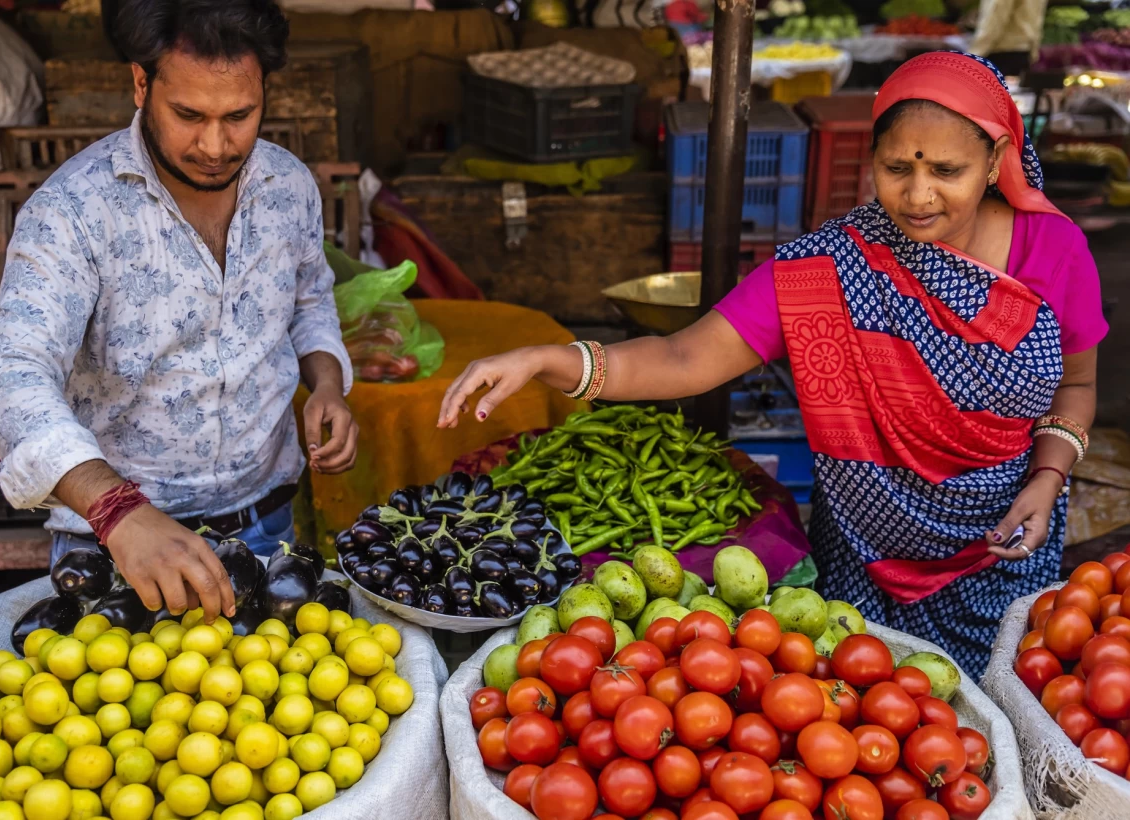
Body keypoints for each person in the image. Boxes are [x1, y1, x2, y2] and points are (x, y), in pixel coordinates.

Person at [438, 52, 1106, 677]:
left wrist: (1048, 477)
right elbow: (683, 356)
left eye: (946, 172)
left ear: (994, 163)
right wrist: (546, 358)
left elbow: (1074, 385)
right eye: (896, 168)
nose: (918, 195)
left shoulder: (1052, 250)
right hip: (861, 573)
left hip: (1005, 552)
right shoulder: (829, 268)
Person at [0, 0, 358, 622]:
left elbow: (310, 299)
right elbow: (12, 377)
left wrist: (328, 385)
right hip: (116, 545)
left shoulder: (288, 187)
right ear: (140, 83)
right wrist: (116, 511)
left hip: (264, 526)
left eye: (240, 115)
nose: (215, 145)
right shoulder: (72, 211)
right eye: (188, 115)